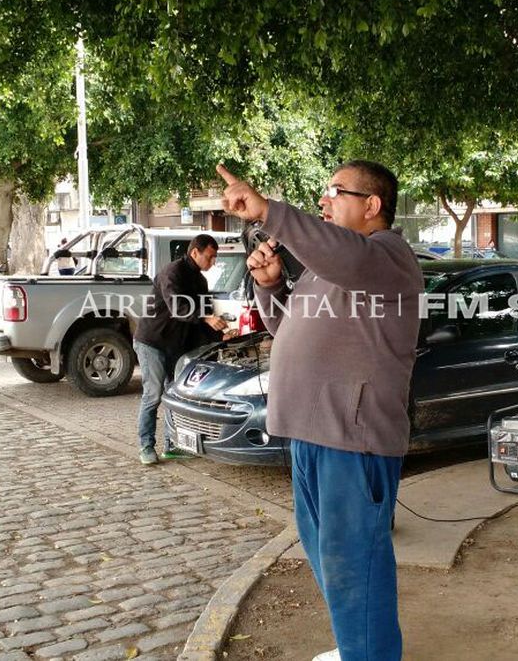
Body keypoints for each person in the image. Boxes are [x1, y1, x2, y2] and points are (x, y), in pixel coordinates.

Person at [218, 160, 422, 661]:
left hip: (352, 439)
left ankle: (370, 655)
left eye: (335, 191)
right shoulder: (328, 269)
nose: (323, 201)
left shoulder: (387, 256)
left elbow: (345, 257)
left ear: (372, 206)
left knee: (355, 564)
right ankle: (359, 648)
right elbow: (285, 327)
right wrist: (270, 286)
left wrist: (267, 211)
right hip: (310, 434)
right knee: (330, 559)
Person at [131, 234, 229, 465]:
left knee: (173, 395)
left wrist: (222, 335)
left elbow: (205, 322)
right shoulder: (171, 272)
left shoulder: (201, 282)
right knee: (153, 394)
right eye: (210, 256)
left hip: (176, 346)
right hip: (152, 342)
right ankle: (146, 446)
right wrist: (207, 317)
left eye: (215, 257)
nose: (213, 262)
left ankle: (172, 444)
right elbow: (179, 307)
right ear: (195, 252)